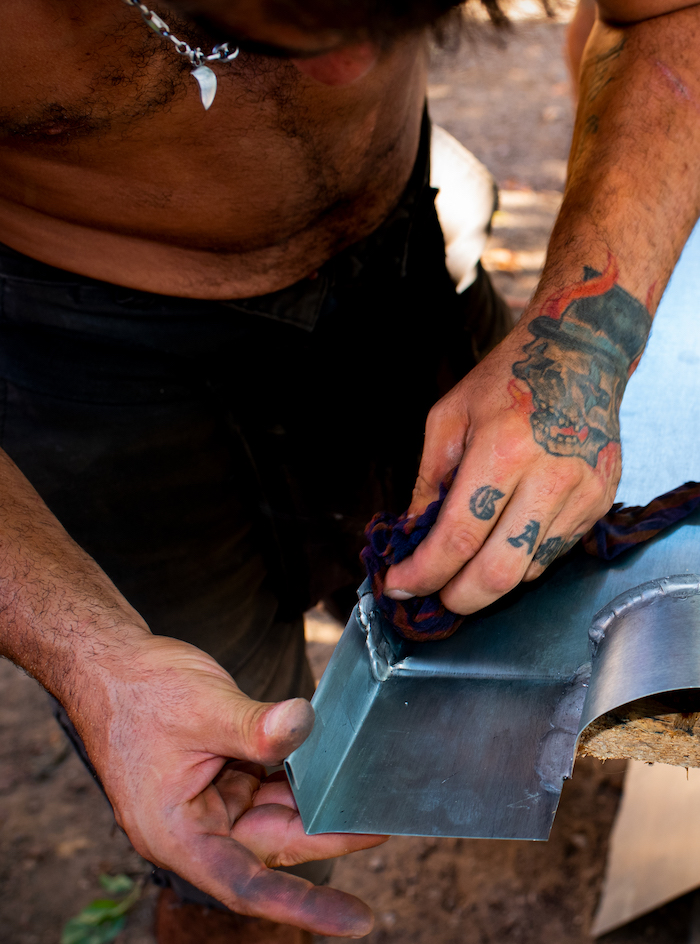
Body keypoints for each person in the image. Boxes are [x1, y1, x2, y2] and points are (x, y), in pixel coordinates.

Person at [1, 0, 699, 941]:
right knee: (234, 815)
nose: (346, 70)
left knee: (510, 616)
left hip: (406, 254)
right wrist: (84, 656)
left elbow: (670, 15)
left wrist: (579, 347)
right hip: (80, 357)